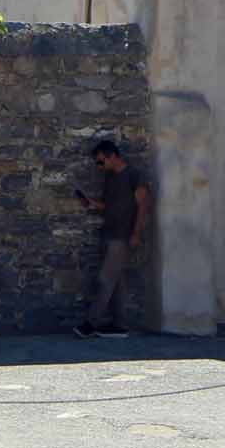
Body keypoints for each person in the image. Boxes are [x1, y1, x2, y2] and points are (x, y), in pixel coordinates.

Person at [76, 139, 150, 339]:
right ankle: (119, 325)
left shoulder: (134, 176)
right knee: (116, 282)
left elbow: (143, 207)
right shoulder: (110, 178)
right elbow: (108, 205)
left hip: (122, 236)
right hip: (108, 233)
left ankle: (91, 323)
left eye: (101, 162)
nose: (99, 167)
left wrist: (136, 234)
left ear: (113, 156)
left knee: (105, 279)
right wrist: (91, 203)